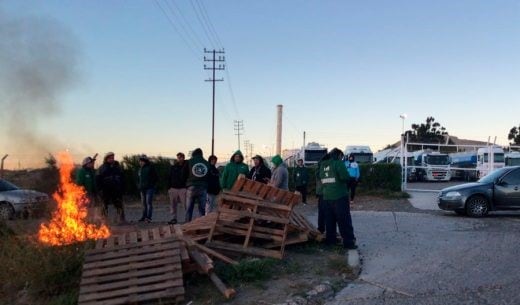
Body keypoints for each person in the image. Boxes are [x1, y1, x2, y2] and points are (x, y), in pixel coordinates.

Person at [319, 148, 357, 250]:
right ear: (338, 155)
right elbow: (345, 177)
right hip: (339, 196)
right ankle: (349, 243)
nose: (342, 158)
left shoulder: (322, 165)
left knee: (329, 221)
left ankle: (330, 242)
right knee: (344, 220)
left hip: (326, 197)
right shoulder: (338, 163)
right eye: (341, 156)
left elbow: (320, 178)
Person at [97, 152, 126, 224]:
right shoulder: (102, 168)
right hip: (106, 190)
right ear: (106, 159)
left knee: (119, 204)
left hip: (116, 189)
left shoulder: (118, 167)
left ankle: (121, 219)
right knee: (104, 205)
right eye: (110, 158)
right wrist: (100, 189)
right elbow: (98, 179)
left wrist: (122, 187)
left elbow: (122, 178)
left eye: (113, 158)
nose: (112, 159)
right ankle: (104, 220)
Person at [185, 148, 210, 222]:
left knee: (189, 209)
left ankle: (187, 225)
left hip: (191, 186)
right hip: (203, 187)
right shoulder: (206, 163)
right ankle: (201, 225)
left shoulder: (189, 162)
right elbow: (208, 175)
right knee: (202, 209)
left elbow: (185, 173)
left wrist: (186, 183)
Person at [167, 152, 190, 225]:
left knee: (185, 205)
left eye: (180, 157)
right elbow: (169, 177)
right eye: (178, 157)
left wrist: (187, 187)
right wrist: (169, 188)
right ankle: (174, 219)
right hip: (173, 188)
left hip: (183, 189)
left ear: (183, 158)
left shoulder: (187, 166)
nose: (179, 159)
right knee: (173, 205)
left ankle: (187, 219)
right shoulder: (173, 167)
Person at [137, 155, 158, 223]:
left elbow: (155, 177)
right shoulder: (140, 169)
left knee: (148, 203)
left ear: (145, 161)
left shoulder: (150, 167)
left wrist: (152, 185)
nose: (140, 162)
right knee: (143, 203)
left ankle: (148, 217)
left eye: (142, 161)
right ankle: (144, 216)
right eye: (140, 161)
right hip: (142, 188)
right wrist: (138, 185)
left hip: (149, 188)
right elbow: (138, 178)